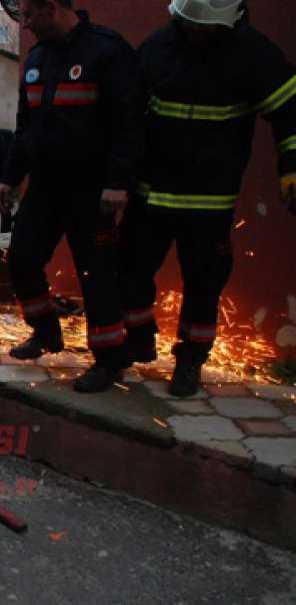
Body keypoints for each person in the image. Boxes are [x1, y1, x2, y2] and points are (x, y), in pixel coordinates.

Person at [119, 0, 296, 396]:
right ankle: (140, 337)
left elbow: (290, 111)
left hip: (210, 201)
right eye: (188, 25)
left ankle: (190, 360)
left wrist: (292, 169)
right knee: (129, 272)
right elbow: (127, 114)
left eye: (205, 29)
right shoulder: (158, 47)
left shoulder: (253, 54)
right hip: (151, 195)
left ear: (229, 22)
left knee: (203, 285)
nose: (196, 33)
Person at [0, 0, 142, 393]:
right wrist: (9, 178)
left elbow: (129, 124)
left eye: (29, 16)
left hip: (93, 190)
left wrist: (118, 183)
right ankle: (45, 333)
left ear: (53, 7)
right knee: (22, 259)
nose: (24, 26)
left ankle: (109, 360)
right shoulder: (37, 58)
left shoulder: (107, 50)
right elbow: (26, 128)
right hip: (44, 186)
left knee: (97, 275)